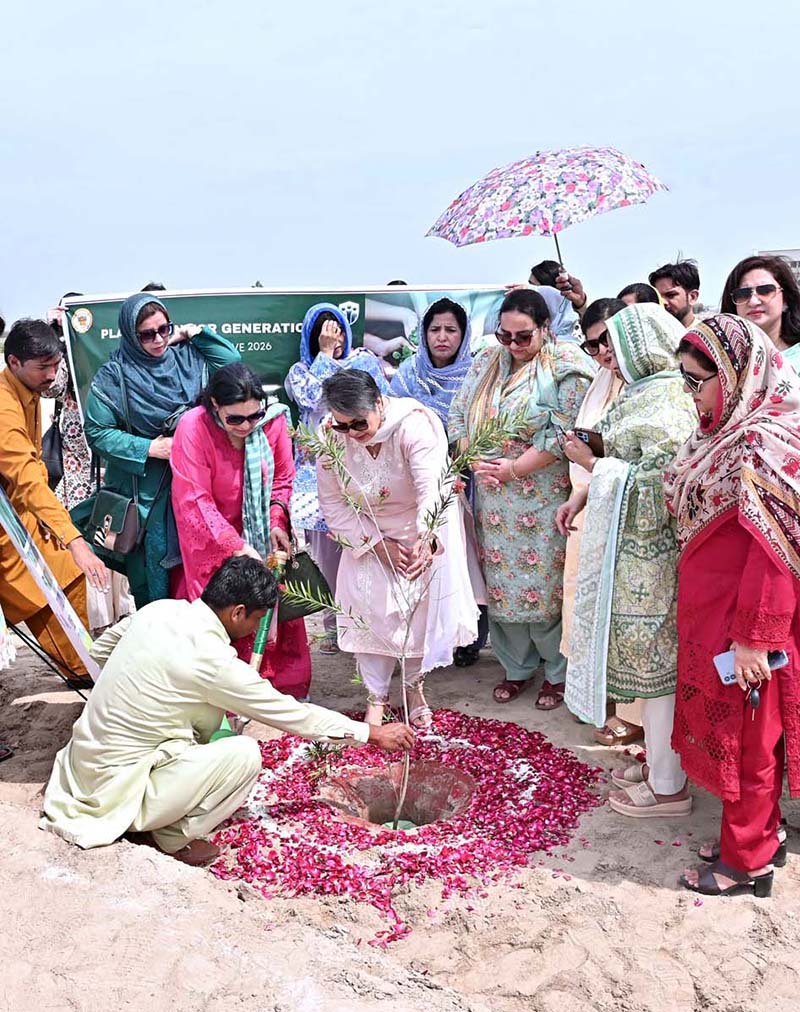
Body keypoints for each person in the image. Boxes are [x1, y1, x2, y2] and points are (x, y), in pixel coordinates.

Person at [40, 556, 414, 866]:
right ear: (238, 612)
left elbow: (99, 652)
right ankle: (169, 837)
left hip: (79, 771)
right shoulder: (213, 660)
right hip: (116, 794)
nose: (256, 629)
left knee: (204, 717)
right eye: (256, 619)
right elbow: (291, 714)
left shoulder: (159, 610)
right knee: (245, 754)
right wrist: (372, 733)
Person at [665, 315, 800, 897]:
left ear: (738, 375)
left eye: (699, 380)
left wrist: (753, 637)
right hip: (712, 617)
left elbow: (775, 554)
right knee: (741, 739)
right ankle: (754, 837)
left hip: (744, 629)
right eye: (685, 380)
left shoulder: (763, 441)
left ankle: (748, 865)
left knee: (750, 744)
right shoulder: (721, 433)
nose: (692, 393)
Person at [560, 304, 697, 816]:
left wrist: (593, 464)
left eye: (615, 347)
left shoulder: (668, 401)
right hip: (632, 558)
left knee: (658, 669)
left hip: (654, 562)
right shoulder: (644, 392)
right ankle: (662, 763)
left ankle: (668, 787)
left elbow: (661, 489)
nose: (607, 357)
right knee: (647, 669)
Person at [449, 288, 595, 710]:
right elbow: (459, 413)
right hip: (493, 501)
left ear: (545, 328)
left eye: (523, 337)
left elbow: (562, 431)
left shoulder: (567, 365)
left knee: (546, 586)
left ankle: (556, 671)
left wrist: (514, 468)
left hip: (543, 495)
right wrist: (471, 456)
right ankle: (515, 667)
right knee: (502, 588)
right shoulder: (486, 362)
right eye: (505, 335)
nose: (513, 346)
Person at [316, 370, 480, 727]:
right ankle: (376, 696)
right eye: (342, 425)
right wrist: (375, 546)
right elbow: (333, 506)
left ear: (379, 404)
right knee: (368, 609)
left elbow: (431, 488)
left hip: (418, 531)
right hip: (366, 535)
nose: (351, 435)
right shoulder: (330, 438)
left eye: (359, 424)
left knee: (418, 612)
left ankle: (414, 687)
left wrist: (425, 538)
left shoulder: (413, 425)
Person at [82, 293, 240, 608]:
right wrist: (150, 447)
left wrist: (194, 334)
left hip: (193, 486)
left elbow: (231, 363)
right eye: (147, 334)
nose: (158, 339)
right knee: (154, 585)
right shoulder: (115, 375)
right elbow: (97, 432)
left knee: (200, 576)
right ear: (130, 335)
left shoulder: (186, 357)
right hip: (148, 496)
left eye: (164, 329)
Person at [170, 363, 312, 699]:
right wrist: (236, 547)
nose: (247, 426)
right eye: (235, 419)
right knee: (227, 616)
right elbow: (194, 500)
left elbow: (283, 481)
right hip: (213, 537)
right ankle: (228, 695)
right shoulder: (194, 427)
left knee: (272, 606)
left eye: (254, 416)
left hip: (263, 535)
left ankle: (280, 692)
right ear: (215, 406)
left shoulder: (274, 421)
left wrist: (278, 521)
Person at [0, 319, 109, 685]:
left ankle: (83, 668)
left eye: (55, 365)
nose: (51, 375)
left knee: (68, 575)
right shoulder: (3, 407)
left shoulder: (29, 389)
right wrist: (74, 540)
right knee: (43, 586)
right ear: (14, 362)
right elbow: (28, 479)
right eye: (42, 368)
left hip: (20, 519)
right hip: (10, 525)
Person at [556, 298, 641, 745]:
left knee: (625, 616)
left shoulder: (649, 385)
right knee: (583, 608)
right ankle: (598, 700)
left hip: (629, 522)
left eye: (607, 340)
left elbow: (639, 463)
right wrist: (579, 491)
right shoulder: (601, 380)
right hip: (590, 506)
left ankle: (634, 714)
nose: (603, 352)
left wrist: (590, 460)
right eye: (592, 346)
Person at [285, 303, 390, 654]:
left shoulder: (366, 363)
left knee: (367, 552)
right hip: (317, 481)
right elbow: (313, 398)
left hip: (365, 476)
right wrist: (325, 355)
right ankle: (336, 628)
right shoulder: (302, 371)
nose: (335, 338)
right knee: (328, 559)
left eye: (339, 330)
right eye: (325, 333)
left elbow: (380, 408)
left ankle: (371, 627)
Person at [390, 297, 487, 666]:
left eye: (451, 330)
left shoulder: (476, 374)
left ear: (463, 335)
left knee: (470, 558)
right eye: (434, 329)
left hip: (466, 476)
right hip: (416, 482)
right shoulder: (406, 376)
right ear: (423, 334)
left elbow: (481, 423)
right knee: (426, 555)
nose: (442, 337)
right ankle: (426, 640)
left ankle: (470, 637)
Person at [720, 254, 800, 370]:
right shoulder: (719, 360)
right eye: (743, 294)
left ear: (786, 300)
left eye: (766, 290)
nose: (753, 302)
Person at [648, 259, 701, 328]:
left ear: (692, 297)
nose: (663, 302)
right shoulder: (651, 336)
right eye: (658, 297)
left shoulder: (706, 336)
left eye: (670, 295)